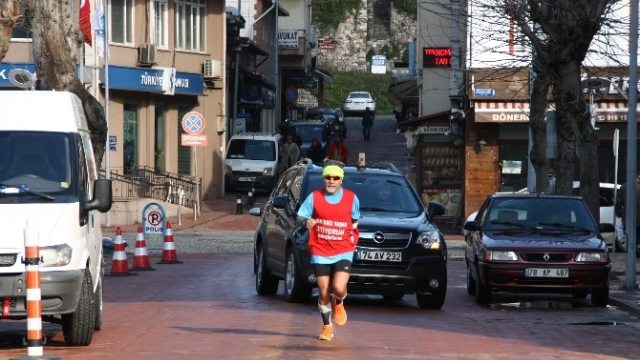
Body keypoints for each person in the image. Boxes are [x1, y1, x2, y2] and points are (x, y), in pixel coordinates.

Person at [296, 162, 360, 341]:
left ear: (341, 180)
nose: (331, 181)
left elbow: (355, 220)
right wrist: (306, 222)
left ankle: (338, 302)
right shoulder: (315, 197)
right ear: (323, 179)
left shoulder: (351, 198)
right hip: (320, 248)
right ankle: (326, 326)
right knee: (324, 290)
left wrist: (351, 237)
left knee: (338, 288)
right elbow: (300, 215)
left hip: (343, 248)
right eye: (328, 178)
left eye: (336, 178)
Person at [615, 175, 640, 252]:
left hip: (628, 216)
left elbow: (618, 202)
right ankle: (637, 248)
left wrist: (618, 213)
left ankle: (632, 249)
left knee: (629, 234)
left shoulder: (624, 187)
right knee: (638, 233)